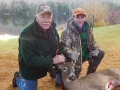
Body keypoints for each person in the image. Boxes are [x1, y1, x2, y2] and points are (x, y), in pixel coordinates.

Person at [12, 3, 65, 90]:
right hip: (30, 68)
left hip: (47, 61)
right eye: (43, 17)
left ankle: (55, 76)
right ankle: (18, 79)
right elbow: (30, 59)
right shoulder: (26, 34)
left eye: (48, 17)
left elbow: (57, 45)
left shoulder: (52, 29)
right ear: (36, 18)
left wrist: (62, 55)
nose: (46, 20)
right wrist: (53, 60)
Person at [55, 8, 105, 86]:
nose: (80, 20)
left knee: (101, 53)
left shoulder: (88, 29)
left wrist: (96, 50)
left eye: (82, 17)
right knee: (72, 81)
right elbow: (64, 46)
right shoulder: (66, 31)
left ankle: (90, 73)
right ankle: (58, 78)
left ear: (85, 18)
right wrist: (71, 53)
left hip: (85, 54)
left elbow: (93, 41)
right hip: (74, 57)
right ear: (73, 17)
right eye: (77, 17)